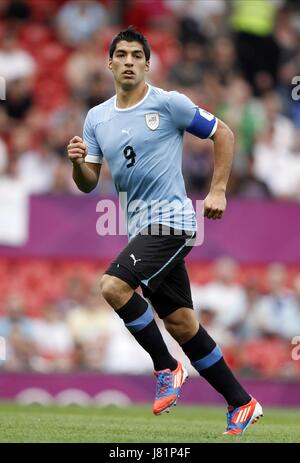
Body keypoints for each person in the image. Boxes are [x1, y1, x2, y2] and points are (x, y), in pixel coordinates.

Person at [67, 26, 263, 435]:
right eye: (121, 55)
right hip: (138, 227)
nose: (128, 61)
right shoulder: (96, 118)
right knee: (182, 325)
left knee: (113, 287)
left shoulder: (169, 104)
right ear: (109, 62)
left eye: (136, 55)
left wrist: (219, 190)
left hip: (172, 221)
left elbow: (222, 133)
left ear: (147, 63)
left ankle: (167, 367)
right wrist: (77, 163)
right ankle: (241, 402)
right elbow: (88, 182)